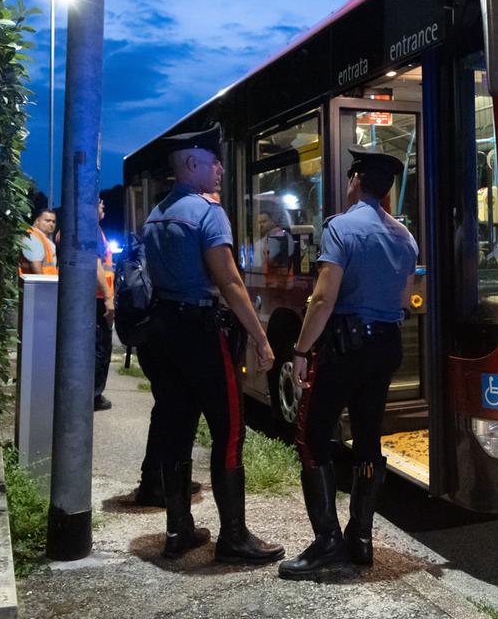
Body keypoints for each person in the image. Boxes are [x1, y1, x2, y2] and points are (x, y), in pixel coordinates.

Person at [138, 123, 284, 563]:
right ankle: (234, 537)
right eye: (213, 161)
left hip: (161, 328)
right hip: (200, 330)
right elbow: (231, 283)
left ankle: (178, 530)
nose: (220, 168)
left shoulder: (156, 214)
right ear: (190, 164)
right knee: (229, 429)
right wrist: (261, 338)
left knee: (175, 427)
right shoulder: (207, 212)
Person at [278, 148, 417, 581]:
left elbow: (323, 299)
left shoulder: (341, 228)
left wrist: (300, 352)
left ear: (355, 180)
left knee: (312, 434)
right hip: (386, 345)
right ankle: (361, 539)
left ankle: (326, 544)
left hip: (343, 347)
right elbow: (401, 299)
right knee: (368, 437)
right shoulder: (405, 237)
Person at [95, 198, 116, 411]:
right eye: (101, 204)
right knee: (100, 349)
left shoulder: (92, 231)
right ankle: (93, 395)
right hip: (97, 299)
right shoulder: (92, 231)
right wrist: (109, 297)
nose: (104, 208)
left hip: (93, 298)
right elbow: (96, 265)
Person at [19, 207, 58, 275]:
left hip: (47, 281)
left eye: (53, 221)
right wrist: (42, 283)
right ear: (37, 221)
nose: (51, 224)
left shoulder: (42, 238)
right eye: (47, 221)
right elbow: (36, 264)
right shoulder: (32, 237)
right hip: (38, 283)